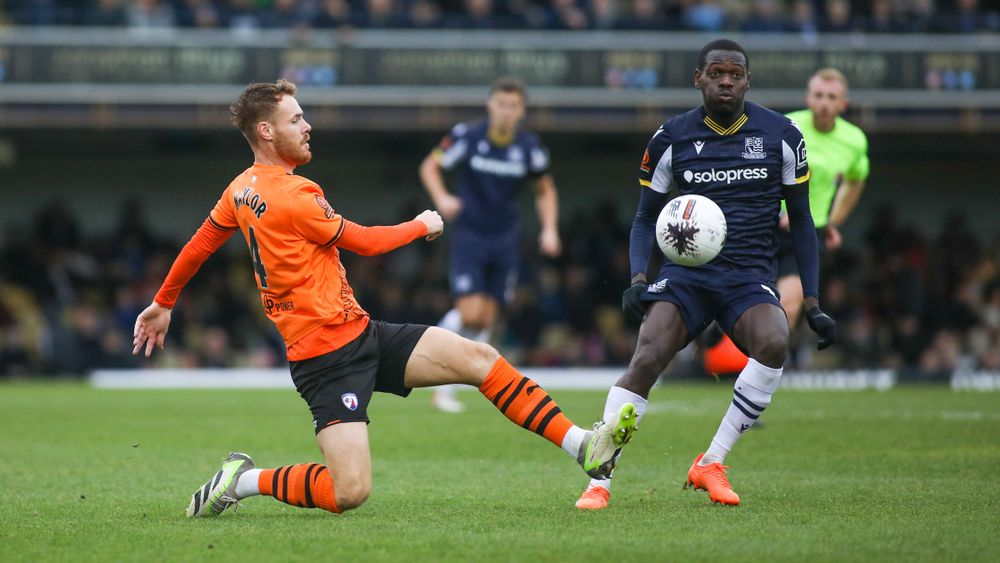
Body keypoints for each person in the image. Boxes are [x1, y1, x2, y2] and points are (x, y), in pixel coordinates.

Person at [132, 79, 637, 518]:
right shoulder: (296, 194)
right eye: (296, 118)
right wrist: (423, 224)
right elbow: (366, 242)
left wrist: (165, 301)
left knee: (479, 358)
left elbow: (200, 243)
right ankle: (241, 480)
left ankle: (583, 447)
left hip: (362, 332)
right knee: (350, 492)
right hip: (325, 360)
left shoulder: (240, 188)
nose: (307, 126)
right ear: (266, 131)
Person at [574, 39, 836, 510]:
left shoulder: (782, 135)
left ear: (747, 80)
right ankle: (600, 480)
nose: (726, 82)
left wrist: (812, 300)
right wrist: (638, 278)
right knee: (649, 355)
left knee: (775, 341)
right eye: (716, 73)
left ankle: (711, 462)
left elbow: (801, 221)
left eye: (735, 74)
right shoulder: (669, 138)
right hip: (687, 276)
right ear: (699, 78)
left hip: (749, 275)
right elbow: (642, 218)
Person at [419, 76, 561, 413]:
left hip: (505, 237)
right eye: (500, 104)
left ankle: (457, 383)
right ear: (489, 105)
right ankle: (430, 369)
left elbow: (545, 190)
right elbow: (430, 165)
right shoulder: (467, 136)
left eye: (512, 106)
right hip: (471, 233)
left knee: (486, 318)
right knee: (469, 311)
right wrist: (442, 197)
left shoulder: (529, 147)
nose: (505, 111)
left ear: (521, 111)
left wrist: (550, 229)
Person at [779, 68, 870, 334]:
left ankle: (762, 371)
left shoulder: (853, 141)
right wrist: (776, 210)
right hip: (769, 224)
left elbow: (856, 180)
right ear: (808, 98)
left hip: (807, 232)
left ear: (844, 104)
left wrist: (834, 222)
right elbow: (762, 175)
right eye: (818, 95)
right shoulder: (787, 127)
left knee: (789, 305)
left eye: (832, 97)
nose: (824, 103)